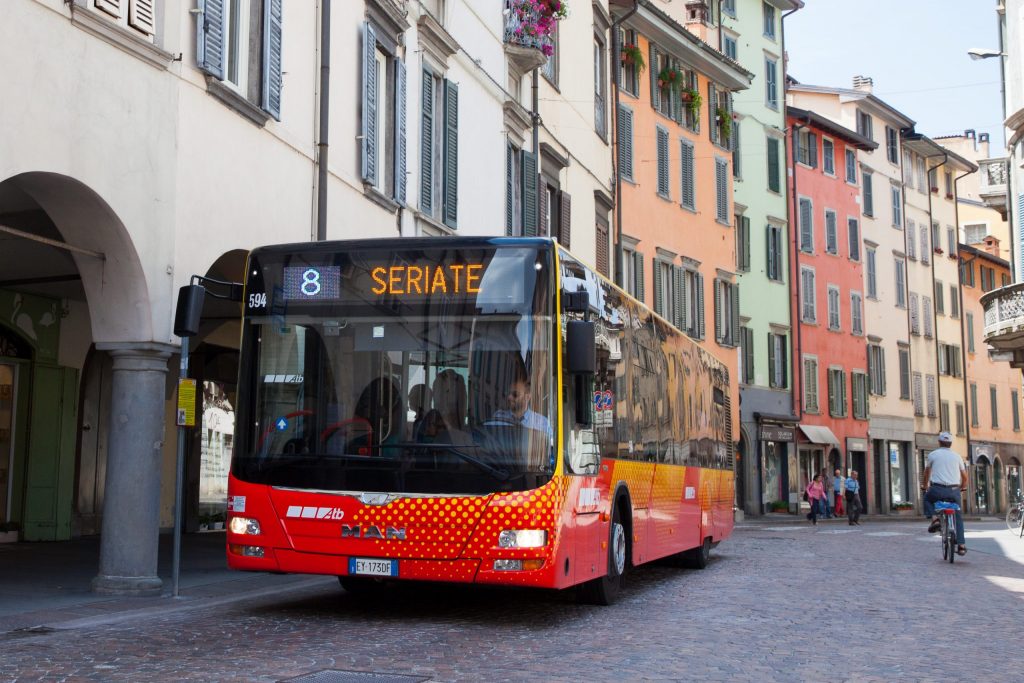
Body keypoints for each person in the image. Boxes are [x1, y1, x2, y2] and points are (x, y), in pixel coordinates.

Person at [921, 431, 968, 556]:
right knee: (958, 515)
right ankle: (962, 545)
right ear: (951, 443)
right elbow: (965, 477)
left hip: (937, 489)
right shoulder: (957, 457)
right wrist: (963, 487)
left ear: (939, 442)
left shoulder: (933, 455)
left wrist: (924, 486)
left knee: (927, 499)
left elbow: (926, 473)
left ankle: (935, 519)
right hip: (954, 491)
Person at [486, 371, 552, 439]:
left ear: (527, 397)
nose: (509, 397)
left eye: (515, 394)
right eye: (508, 393)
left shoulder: (542, 424)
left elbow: (551, 446)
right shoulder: (498, 417)